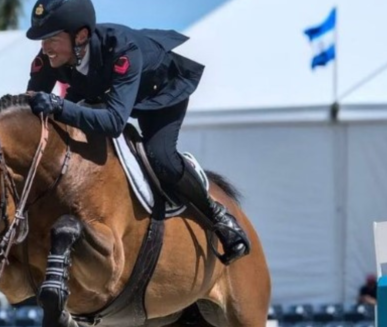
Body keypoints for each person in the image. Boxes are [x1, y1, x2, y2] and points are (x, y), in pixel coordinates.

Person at [23, 0, 249, 265]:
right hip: (103, 90)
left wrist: (60, 106)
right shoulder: (48, 58)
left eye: (51, 39)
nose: (45, 47)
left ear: (81, 36)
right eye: (42, 40)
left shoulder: (122, 50)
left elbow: (114, 122)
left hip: (159, 93)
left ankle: (217, 215)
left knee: (160, 157)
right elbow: (29, 108)